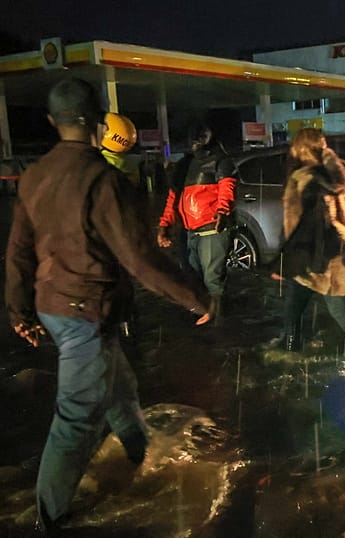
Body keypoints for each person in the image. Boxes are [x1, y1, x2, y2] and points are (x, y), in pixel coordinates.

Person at [4, 78, 211, 533]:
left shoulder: (34, 176)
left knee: (118, 384)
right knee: (76, 417)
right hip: (85, 309)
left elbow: (18, 251)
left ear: (51, 122)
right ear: (98, 122)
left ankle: (140, 453)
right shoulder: (102, 180)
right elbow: (138, 259)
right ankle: (47, 517)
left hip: (52, 307)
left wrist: (19, 312)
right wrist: (194, 295)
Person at [276, 128, 345, 352]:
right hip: (336, 253)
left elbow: (300, 224)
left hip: (314, 254)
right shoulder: (331, 176)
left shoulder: (304, 178)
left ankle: (290, 356)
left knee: (294, 311)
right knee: (337, 309)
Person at [156, 123, 237, 321]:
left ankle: (219, 322)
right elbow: (173, 198)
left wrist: (222, 212)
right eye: (193, 137)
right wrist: (164, 224)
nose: (194, 142)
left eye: (200, 137)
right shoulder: (184, 165)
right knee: (193, 276)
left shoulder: (220, 160)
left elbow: (227, 189)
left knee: (213, 279)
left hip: (212, 229)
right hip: (191, 231)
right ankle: (206, 316)